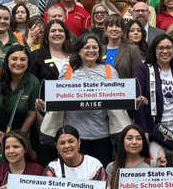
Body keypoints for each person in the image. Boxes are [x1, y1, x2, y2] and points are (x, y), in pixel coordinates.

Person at [39, 34, 121, 166]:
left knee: (100, 174)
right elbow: (58, 98)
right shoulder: (68, 71)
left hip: (102, 135)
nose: (91, 50)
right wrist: (45, 105)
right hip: (73, 136)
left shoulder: (110, 71)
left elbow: (119, 99)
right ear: (79, 51)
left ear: (99, 51)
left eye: (95, 47)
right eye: (87, 47)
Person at [133, 33, 173, 159]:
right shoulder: (144, 70)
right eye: (160, 48)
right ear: (154, 50)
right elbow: (138, 103)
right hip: (154, 130)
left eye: (168, 48)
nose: (165, 51)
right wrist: (144, 131)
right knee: (158, 165)